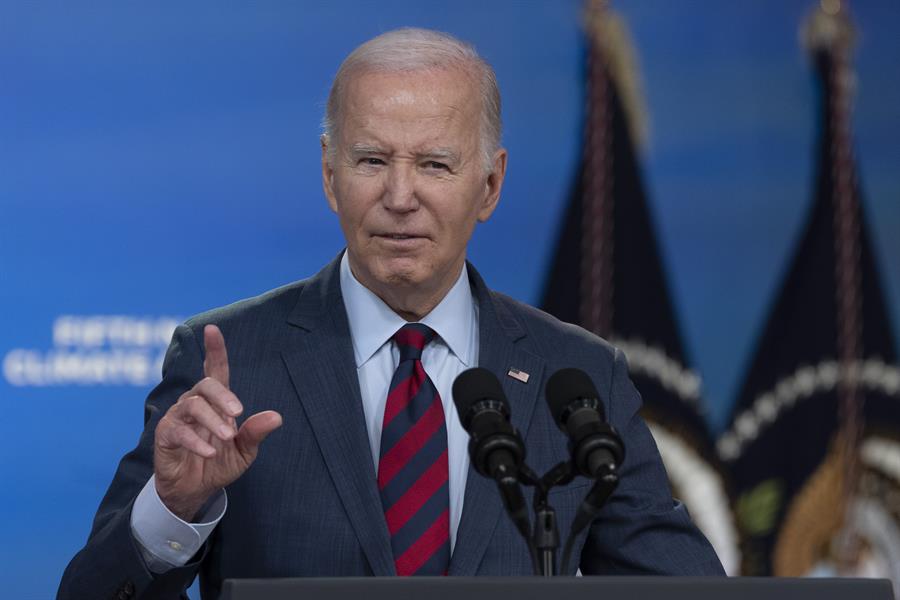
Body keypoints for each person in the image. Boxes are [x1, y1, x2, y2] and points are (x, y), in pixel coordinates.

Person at [58, 27, 724, 600]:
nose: (400, 196)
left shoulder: (574, 376)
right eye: (372, 160)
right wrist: (171, 509)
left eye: (434, 164)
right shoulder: (234, 363)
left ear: (489, 185)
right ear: (329, 174)